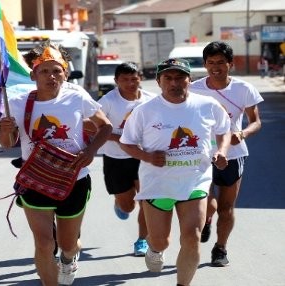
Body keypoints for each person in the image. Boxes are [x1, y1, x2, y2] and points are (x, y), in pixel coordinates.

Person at [0, 41, 112, 286]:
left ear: (66, 73)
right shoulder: (17, 102)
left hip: (74, 179)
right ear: (33, 74)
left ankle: (69, 258)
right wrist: (5, 130)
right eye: (44, 71)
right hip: (36, 180)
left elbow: (106, 127)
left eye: (57, 70)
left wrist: (91, 151)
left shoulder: (77, 96)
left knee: (67, 244)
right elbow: (8, 143)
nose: (51, 76)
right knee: (45, 243)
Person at [119, 58, 231, 286]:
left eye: (180, 77)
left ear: (189, 80)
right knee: (161, 241)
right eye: (168, 78)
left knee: (192, 238)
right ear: (159, 81)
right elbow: (126, 143)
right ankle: (154, 248)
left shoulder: (207, 105)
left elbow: (224, 130)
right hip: (158, 184)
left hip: (195, 181)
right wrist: (147, 156)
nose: (174, 82)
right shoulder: (144, 111)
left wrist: (221, 151)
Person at [190, 41, 263, 267]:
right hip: (202, 155)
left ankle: (220, 248)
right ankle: (207, 218)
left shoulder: (243, 89)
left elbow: (256, 122)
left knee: (226, 207)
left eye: (221, 62)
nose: (216, 67)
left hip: (233, 155)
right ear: (205, 64)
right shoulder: (194, 88)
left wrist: (242, 134)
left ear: (230, 64)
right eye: (211, 63)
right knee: (207, 202)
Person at [96, 62, 156, 257]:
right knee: (127, 205)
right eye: (125, 80)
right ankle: (119, 202)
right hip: (116, 158)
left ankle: (142, 240)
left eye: (134, 78)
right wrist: (121, 139)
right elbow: (93, 126)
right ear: (116, 81)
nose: (130, 83)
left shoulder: (151, 100)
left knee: (146, 200)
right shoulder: (108, 101)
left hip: (144, 158)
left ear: (140, 78)